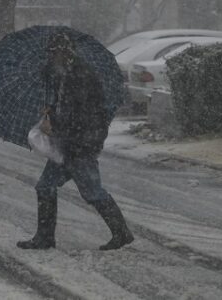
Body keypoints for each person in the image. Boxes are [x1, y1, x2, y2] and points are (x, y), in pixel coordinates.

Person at [17, 31, 134, 251]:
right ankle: (45, 237)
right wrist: (51, 112)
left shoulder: (81, 76)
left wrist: (54, 123)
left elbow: (79, 115)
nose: (51, 57)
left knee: (92, 192)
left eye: (53, 53)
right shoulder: (65, 74)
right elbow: (68, 109)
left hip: (80, 146)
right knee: (45, 187)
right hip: (69, 144)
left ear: (64, 52)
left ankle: (121, 232)